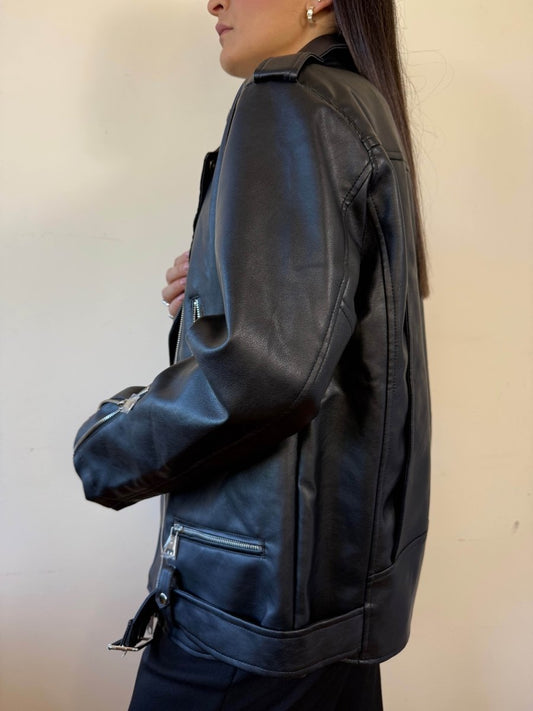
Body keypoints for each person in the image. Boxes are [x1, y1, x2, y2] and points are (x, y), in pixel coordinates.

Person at [73, 0, 431, 708]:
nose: (214, 1)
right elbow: (323, 342)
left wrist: (108, 443)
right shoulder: (357, 102)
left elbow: (265, 374)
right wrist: (216, 292)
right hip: (325, 606)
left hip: (249, 615)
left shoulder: (288, 99)